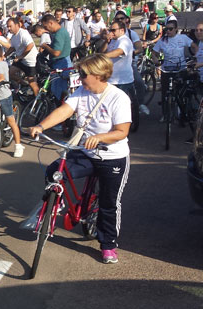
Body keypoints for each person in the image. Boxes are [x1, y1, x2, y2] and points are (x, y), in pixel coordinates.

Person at [29, 54, 131, 264]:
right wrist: (41, 126)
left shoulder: (118, 98)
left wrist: (100, 137)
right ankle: (55, 204)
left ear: (98, 75)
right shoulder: (81, 92)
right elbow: (64, 111)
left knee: (108, 203)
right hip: (85, 152)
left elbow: (122, 131)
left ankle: (108, 245)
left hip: (112, 157)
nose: (80, 77)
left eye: (84, 74)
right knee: (54, 171)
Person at [153, 19, 194, 122]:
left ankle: (183, 112)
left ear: (176, 29)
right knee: (165, 93)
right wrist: (156, 61)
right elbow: (154, 53)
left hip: (181, 69)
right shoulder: (162, 40)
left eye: (171, 29)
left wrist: (196, 58)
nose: (168, 31)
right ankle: (165, 114)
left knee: (182, 92)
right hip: (166, 70)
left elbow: (195, 47)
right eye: (167, 29)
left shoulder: (183, 38)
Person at [0, 44, 25, 157]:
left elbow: (1, 78)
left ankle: (18, 145)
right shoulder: (4, 63)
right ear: (2, 54)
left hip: (3, 95)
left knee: (11, 121)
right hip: (4, 94)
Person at [104, 20, 136, 118]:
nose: (111, 32)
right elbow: (102, 51)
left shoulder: (124, 40)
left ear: (122, 30)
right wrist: (106, 41)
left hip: (122, 80)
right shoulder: (113, 41)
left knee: (121, 106)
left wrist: (103, 57)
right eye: (110, 30)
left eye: (113, 30)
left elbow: (119, 52)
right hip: (111, 79)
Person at [3, 17, 41, 97]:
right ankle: (24, 84)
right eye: (8, 27)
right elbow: (12, 47)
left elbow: (30, 45)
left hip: (31, 62)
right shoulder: (13, 36)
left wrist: (20, 56)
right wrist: (4, 56)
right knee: (9, 73)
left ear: (17, 25)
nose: (9, 28)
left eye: (10, 26)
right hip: (21, 60)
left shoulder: (23, 33)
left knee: (33, 83)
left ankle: (38, 100)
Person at [40, 15, 72, 100]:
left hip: (61, 63)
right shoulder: (59, 32)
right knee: (57, 90)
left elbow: (57, 52)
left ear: (51, 23)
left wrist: (45, 46)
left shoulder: (59, 33)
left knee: (59, 91)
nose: (46, 29)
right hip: (60, 62)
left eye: (46, 26)